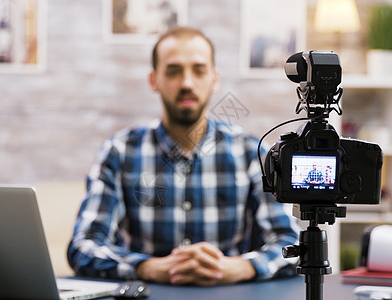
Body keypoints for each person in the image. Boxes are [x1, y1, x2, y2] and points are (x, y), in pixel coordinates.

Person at [67, 26, 300, 286]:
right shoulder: (119, 152)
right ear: (154, 80)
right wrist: (148, 267)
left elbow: (290, 244)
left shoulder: (251, 153)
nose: (187, 83)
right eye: (173, 71)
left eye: (198, 70)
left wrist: (241, 267)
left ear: (214, 79)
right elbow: (84, 246)